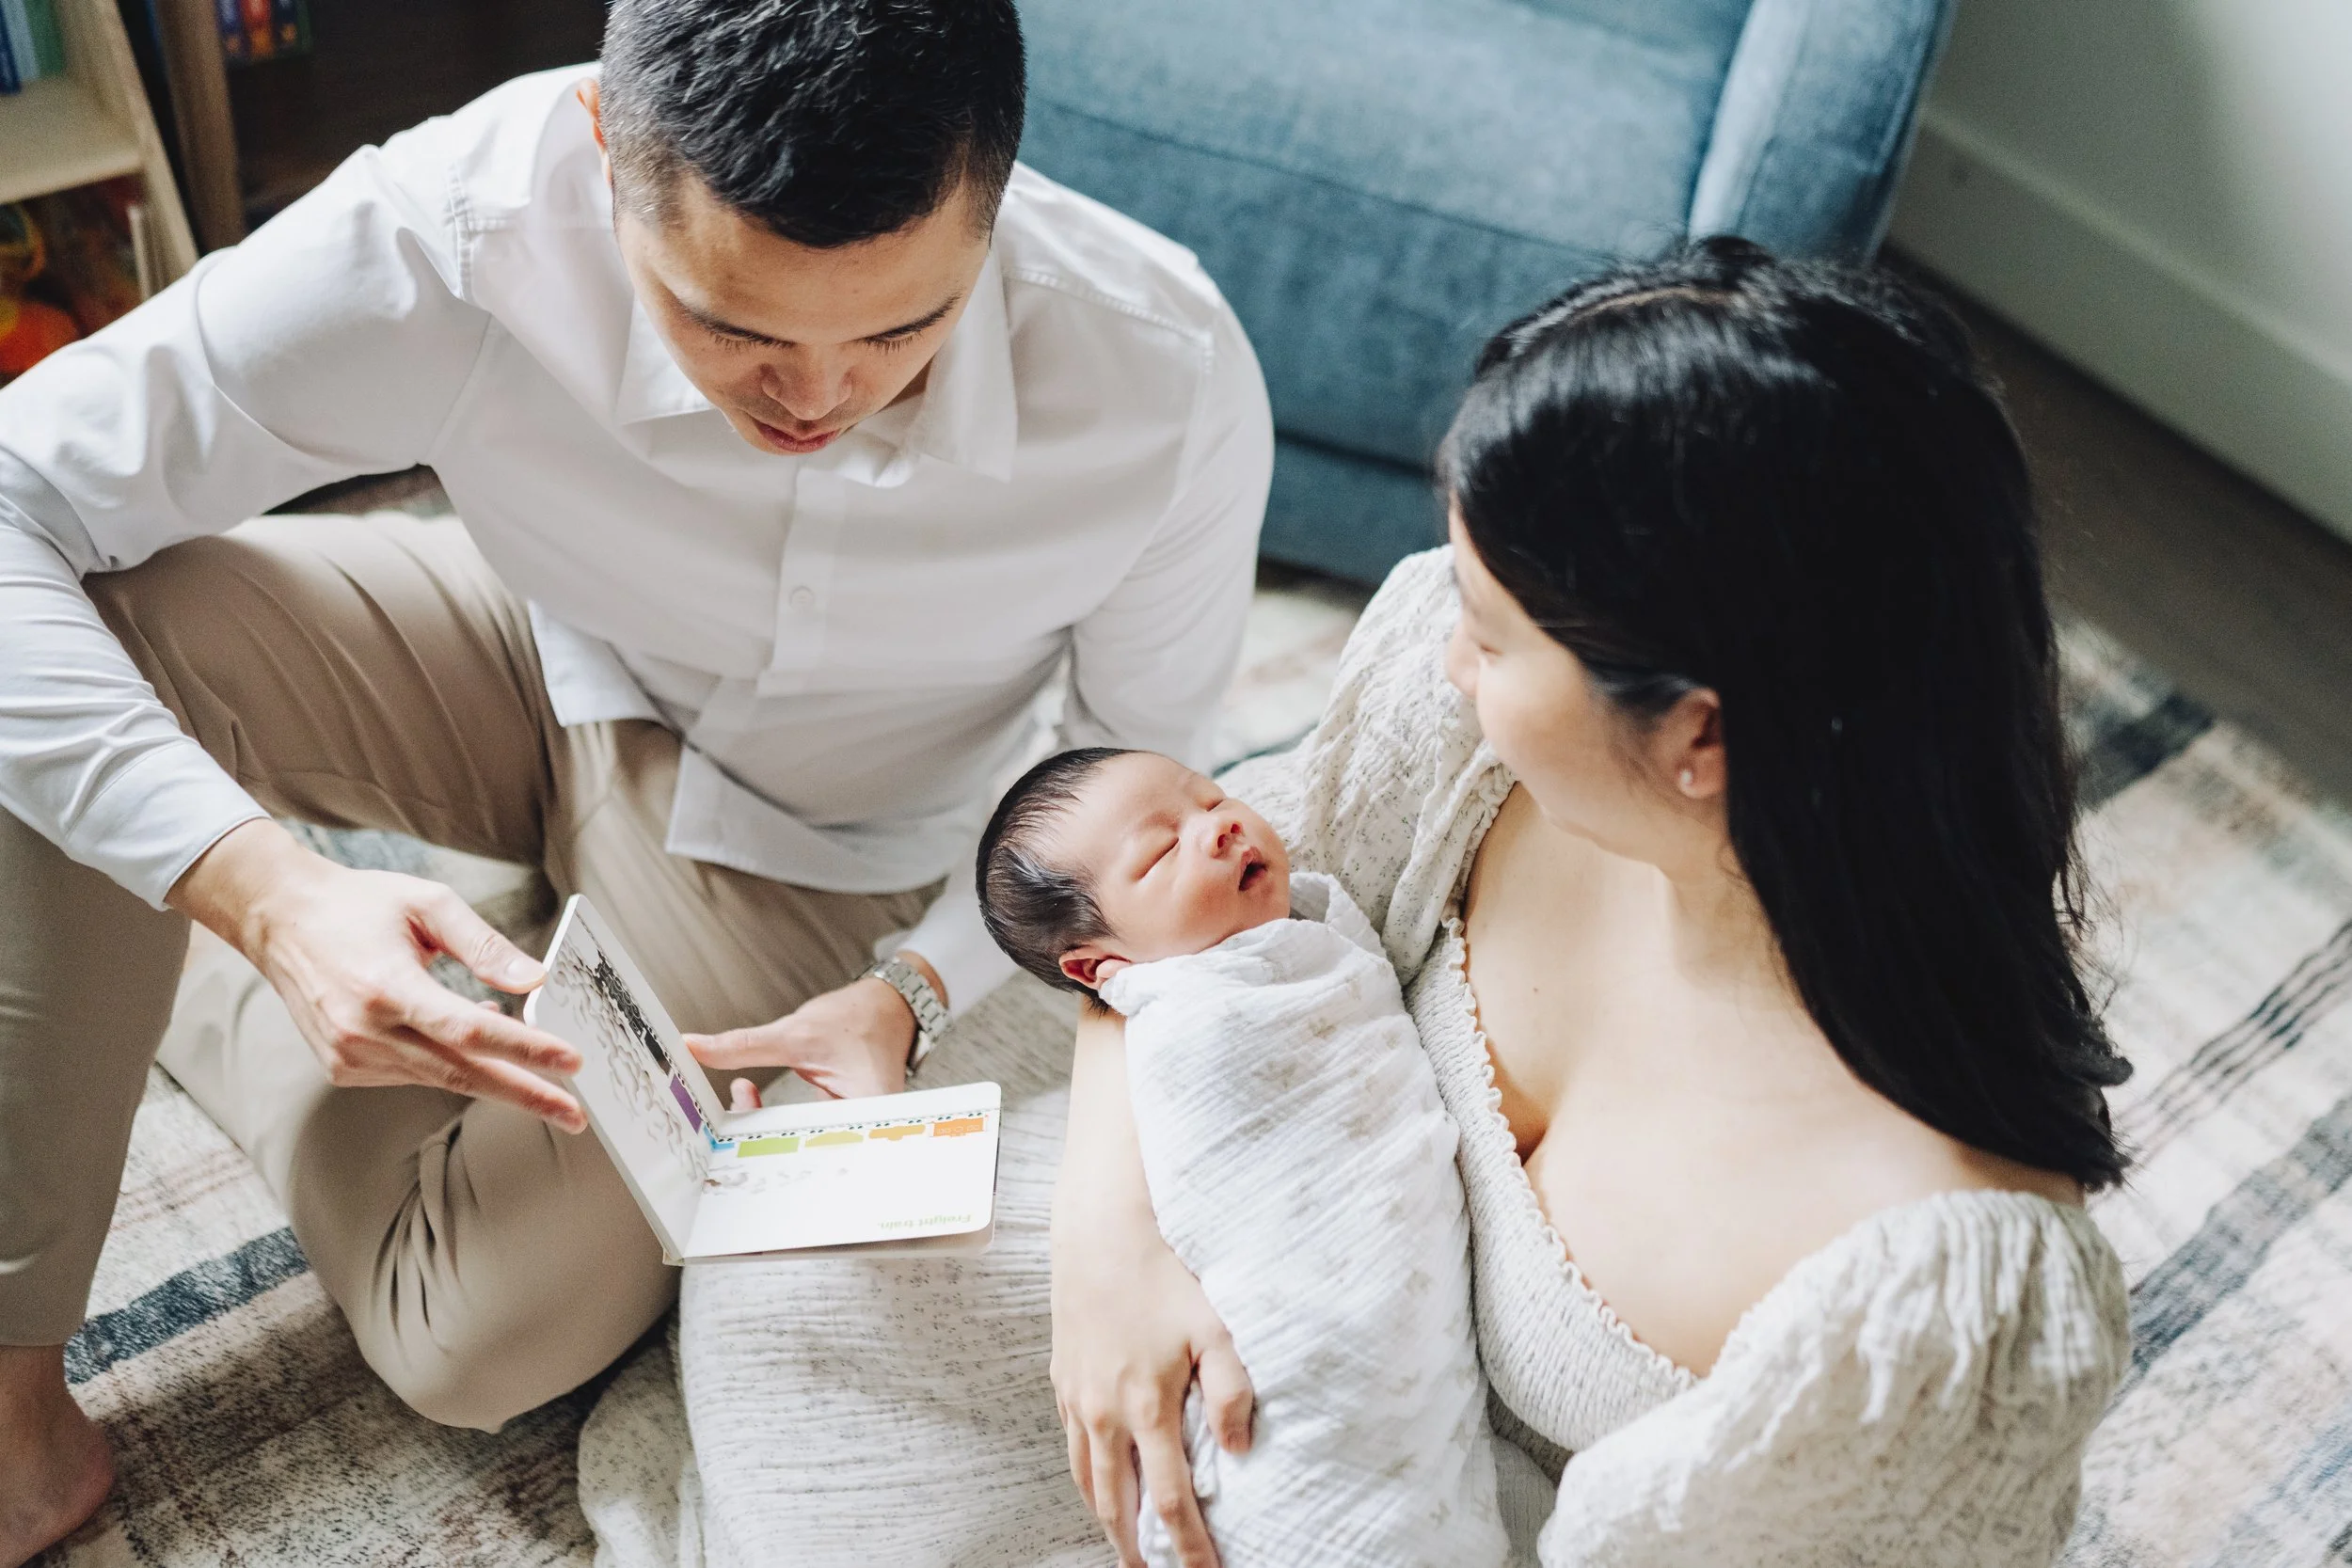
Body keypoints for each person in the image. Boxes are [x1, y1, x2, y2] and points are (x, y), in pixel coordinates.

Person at [0, 0, 1272, 1555]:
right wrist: (263, 888)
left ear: (999, 198)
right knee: (75, 642)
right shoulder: (455, 224)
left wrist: (922, 997)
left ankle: (174, 943)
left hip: (821, 846)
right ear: (605, 148)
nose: (814, 399)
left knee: (468, 1335)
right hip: (542, 654)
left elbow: (1139, 813)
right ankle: (13, 1402)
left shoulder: (1166, 371)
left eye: (899, 333)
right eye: (733, 327)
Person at [681, 240, 2134, 1568]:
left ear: (1700, 736)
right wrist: (1108, 1246)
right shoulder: (1461, 744)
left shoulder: (1930, 1290)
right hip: (1246, 1246)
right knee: (788, 1285)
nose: (1447, 653)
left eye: (1492, 636)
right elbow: (1169, 948)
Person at [974, 746, 1506, 1567]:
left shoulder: (1304, 931)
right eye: (1160, 852)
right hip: (1270, 1371)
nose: (1217, 826)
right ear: (1100, 969)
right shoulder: (1182, 1016)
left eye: (1210, 797)